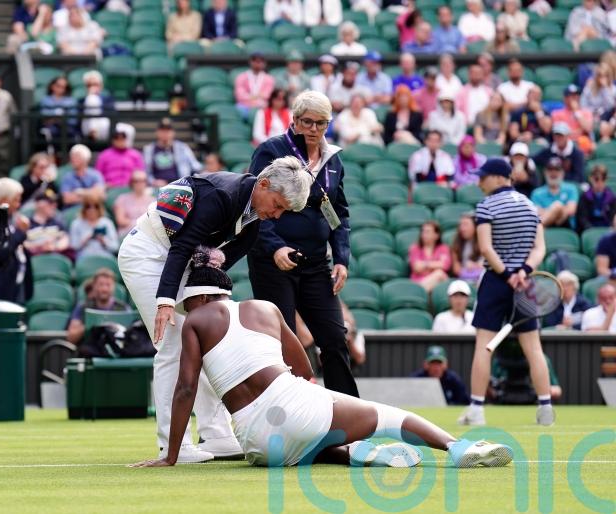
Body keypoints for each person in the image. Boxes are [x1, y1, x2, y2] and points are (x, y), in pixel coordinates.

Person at [132, 250, 513, 469]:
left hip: (258, 446)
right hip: (295, 406)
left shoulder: (195, 321)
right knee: (387, 416)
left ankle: (350, 453)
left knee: (302, 441)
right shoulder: (264, 308)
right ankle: (457, 447)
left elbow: (185, 389)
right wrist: (317, 400)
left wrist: (172, 455)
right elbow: (303, 369)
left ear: (197, 298)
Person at [117, 157, 312, 463]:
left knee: (208, 339)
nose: (276, 215)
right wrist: (165, 301)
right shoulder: (221, 196)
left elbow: (227, 254)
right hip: (147, 254)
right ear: (262, 184)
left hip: (181, 259)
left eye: (283, 210)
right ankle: (173, 446)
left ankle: (217, 434)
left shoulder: (254, 217)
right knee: (173, 345)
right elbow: (182, 246)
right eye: (277, 204)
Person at [246, 91, 358, 399]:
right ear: (295, 120)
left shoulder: (333, 160)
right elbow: (254, 202)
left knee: (335, 338)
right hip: (273, 262)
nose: (313, 128)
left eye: (321, 123)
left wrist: (342, 258)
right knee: (284, 342)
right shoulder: (271, 150)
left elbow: (338, 213)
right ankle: (290, 413)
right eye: (307, 121)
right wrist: (274, 247)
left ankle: (348, 415)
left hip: (316, 263)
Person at [457, 158, 554, 427]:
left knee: (483, 346)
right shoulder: (531, 205)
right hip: (525, 282)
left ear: (500, 178)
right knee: (534, 348)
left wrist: (507, 274)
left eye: (483, 177)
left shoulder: (486, 206)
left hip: (496, 281)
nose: (479, 181)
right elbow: (539, 249)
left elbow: (486, 248)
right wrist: (522, 271)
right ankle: (545, 408)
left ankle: (476, 409)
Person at [66, 268, 130, 345]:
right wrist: (89, 326)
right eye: (101, 284)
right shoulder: (83, 307)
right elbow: (71, 337)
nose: (104, 289)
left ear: (114, 286)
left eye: (108, 285)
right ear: (94, 286)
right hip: (90, 352)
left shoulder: (123, 308)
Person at [142, 118, 202, 186]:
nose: (165, 133)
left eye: (168, 130)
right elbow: (144, 171)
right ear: (157, 132)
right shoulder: (149, 149)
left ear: (173, 132)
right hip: (156, 188)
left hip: (180, 186)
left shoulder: (182, 148)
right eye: (162, 130)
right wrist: (153, 181)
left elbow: (196, 166)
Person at [531, 157, 579, 230]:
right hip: (546, 226)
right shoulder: (537, 193)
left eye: (557, 170)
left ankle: (537, 229)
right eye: (550, 170)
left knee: (558, 205)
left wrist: (556, 210)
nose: (553, 173)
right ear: (545, 172)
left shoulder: (571, 188)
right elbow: (537, 213)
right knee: (557, 206)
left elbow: (571, 210)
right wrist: (555, 212)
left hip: (565, 225)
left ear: (562, 172)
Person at [95, 123, 144, 188]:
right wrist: (105, 184)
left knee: (160, 191)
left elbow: (141, 174)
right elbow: (97, 175)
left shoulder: (135, 155)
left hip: (131, 189)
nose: (120, 140)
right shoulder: (104, 155)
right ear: (113, 140)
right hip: (109, 189)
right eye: (117, 138)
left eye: (123, 138)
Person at [23, 192, 71, 258]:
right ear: (38, 204)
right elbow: (22, 244)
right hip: (34, 259)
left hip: (55, 258)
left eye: (55, 203)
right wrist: (40, 246)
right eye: (50, 203)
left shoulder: (57, 223)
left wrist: (54, 246)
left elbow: (65, 239)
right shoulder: (26, 224)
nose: (54, 205)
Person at [408, 221, 451, 294]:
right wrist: (435, 266)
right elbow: (416, 267)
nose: (424, 235)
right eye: (423, 231)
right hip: (418, 283)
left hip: (437, 284)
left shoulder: (443, 248)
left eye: (427, 232)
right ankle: (419, 294)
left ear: (436, 235)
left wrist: (425, 265)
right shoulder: (415, 248)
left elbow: (445, 265)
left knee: (440, 275)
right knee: (440, 274)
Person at [551, 85, 595, 155]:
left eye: (576, 95)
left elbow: (588, 128)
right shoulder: (556, 113)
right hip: (564, 143)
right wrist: (579, 130)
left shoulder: (586, 112)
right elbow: (559, 133)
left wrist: (576, 112)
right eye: (571, 96)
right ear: (565, 98)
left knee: (586, 142)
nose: (574, 98)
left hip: (582, 143)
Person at [60, 144, 106, 209]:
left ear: (86, 159)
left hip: (93, 210)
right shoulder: (67, 177)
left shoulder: (95, 175)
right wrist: (91, 194)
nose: (73, 159)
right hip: (73, 210)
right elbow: (67, 199)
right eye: (72, 157)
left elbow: (101, 196)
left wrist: (80, 191)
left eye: (76, 157)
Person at [113, 170, 154, 237]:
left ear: (146, 182)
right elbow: (120, 220)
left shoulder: (152, 201)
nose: (139, 183)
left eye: (142, 180)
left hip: (147, 233)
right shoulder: (122, 199)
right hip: (127, 232)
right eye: (136, 181)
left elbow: (153, 220)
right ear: (131, 182)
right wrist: (138, 224)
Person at [234, 53, 276, 119]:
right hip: (245, 106)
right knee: (239, 110)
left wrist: (253, 98)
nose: (257, 63)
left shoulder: (269, 79)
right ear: (250, 62)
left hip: (263, 106)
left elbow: (268, 95)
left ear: (264, 63)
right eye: (255, 61)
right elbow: (240, 95)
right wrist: (256, 97)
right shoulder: (241, 77)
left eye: (260, 61)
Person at [577, 164, 616, 232]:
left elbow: (612, 218)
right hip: (589, 230)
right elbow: (582, 219)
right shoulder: (584, 197)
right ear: (591, 178)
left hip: (607, 229)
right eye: (596, 179)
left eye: (603, 179)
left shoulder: (611, 197)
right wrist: (591, 230)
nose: (600, 182)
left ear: (606, 179)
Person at [78, 70, 114, 142]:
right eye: (89, 85)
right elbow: (79, 118)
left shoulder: (108, 99)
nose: (92, 87)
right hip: (87, 128)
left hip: (104, 126)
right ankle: (93, 131)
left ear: (101, 86)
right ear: (86, 87)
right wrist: (89, 97)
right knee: (92, 98)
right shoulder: (81, 101)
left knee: (128, 129)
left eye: (95, 84)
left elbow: (112, 114)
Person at [450, 213, 485, 282]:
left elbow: (486, 265)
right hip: (463, 279)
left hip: (480, 278)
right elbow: (456, 269)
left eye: (466, 224)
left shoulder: (484, 243)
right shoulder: (456, 244)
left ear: (475, 226)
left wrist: (474, 266)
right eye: (461, 225)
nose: (462, 228)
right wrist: (466, 270)